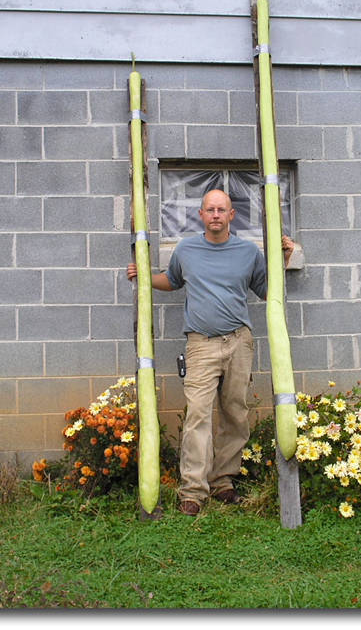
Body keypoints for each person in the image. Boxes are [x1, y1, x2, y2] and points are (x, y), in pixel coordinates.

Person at [127, 189, 294, 516]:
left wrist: (284, 259)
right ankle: (192, 491)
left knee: (234, 415)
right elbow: (173, 281)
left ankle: (222, 484)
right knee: (197, 416)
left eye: (222, 210)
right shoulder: (186, 249)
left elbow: (266, 291)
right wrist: (144, 275)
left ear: (231, 215)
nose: (216, 215)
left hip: (238, 342)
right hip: (200, 345)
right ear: (201, 215)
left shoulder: (248, 252)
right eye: (210, 210)